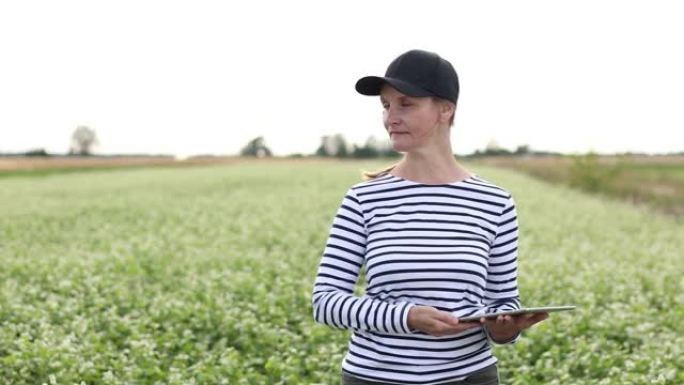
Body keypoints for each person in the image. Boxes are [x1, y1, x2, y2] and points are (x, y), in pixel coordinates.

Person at [311, 49, 548, 385]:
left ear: (445, 109)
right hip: (375, 378)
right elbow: (325, 302)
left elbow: (503, 299)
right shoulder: (363, 199)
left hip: (469, 376)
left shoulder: (495, 202)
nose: (391, 116)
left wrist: (504, 328)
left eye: (405, 103)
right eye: (386, 105)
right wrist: (407, 317)